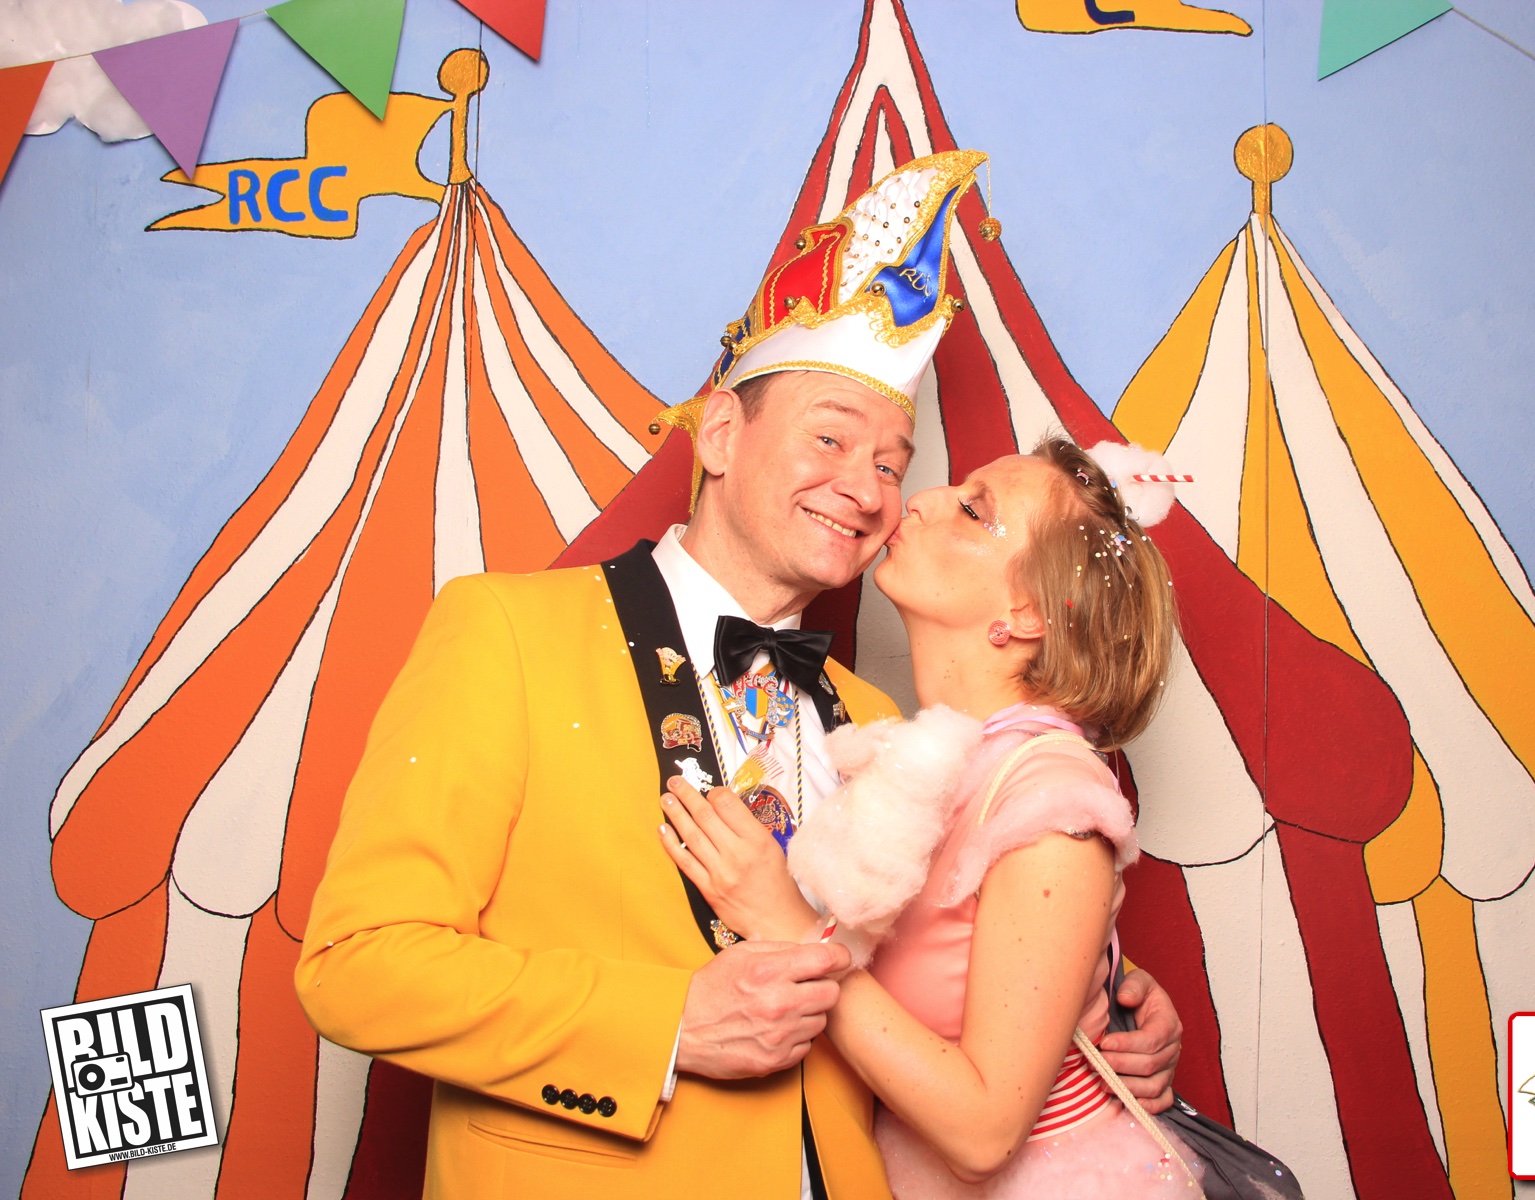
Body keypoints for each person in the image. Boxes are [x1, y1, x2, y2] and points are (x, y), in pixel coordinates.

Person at [296, 150, 1182, 1200]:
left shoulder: (883, 724)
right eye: (830, 439)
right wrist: (667, 1026)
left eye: (891, 464)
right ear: (720, 434)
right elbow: (357, 965)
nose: (868, 491)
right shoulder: (509, 634)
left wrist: (1102, 997)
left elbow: (971, 947)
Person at [659, 435, 1206, 1197]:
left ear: (1025, 613)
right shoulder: (931, 758)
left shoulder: (1051, 800)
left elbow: (985, 1135)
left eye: (974, 511)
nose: (916, 500)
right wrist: (1112, 984)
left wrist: (792, 928)